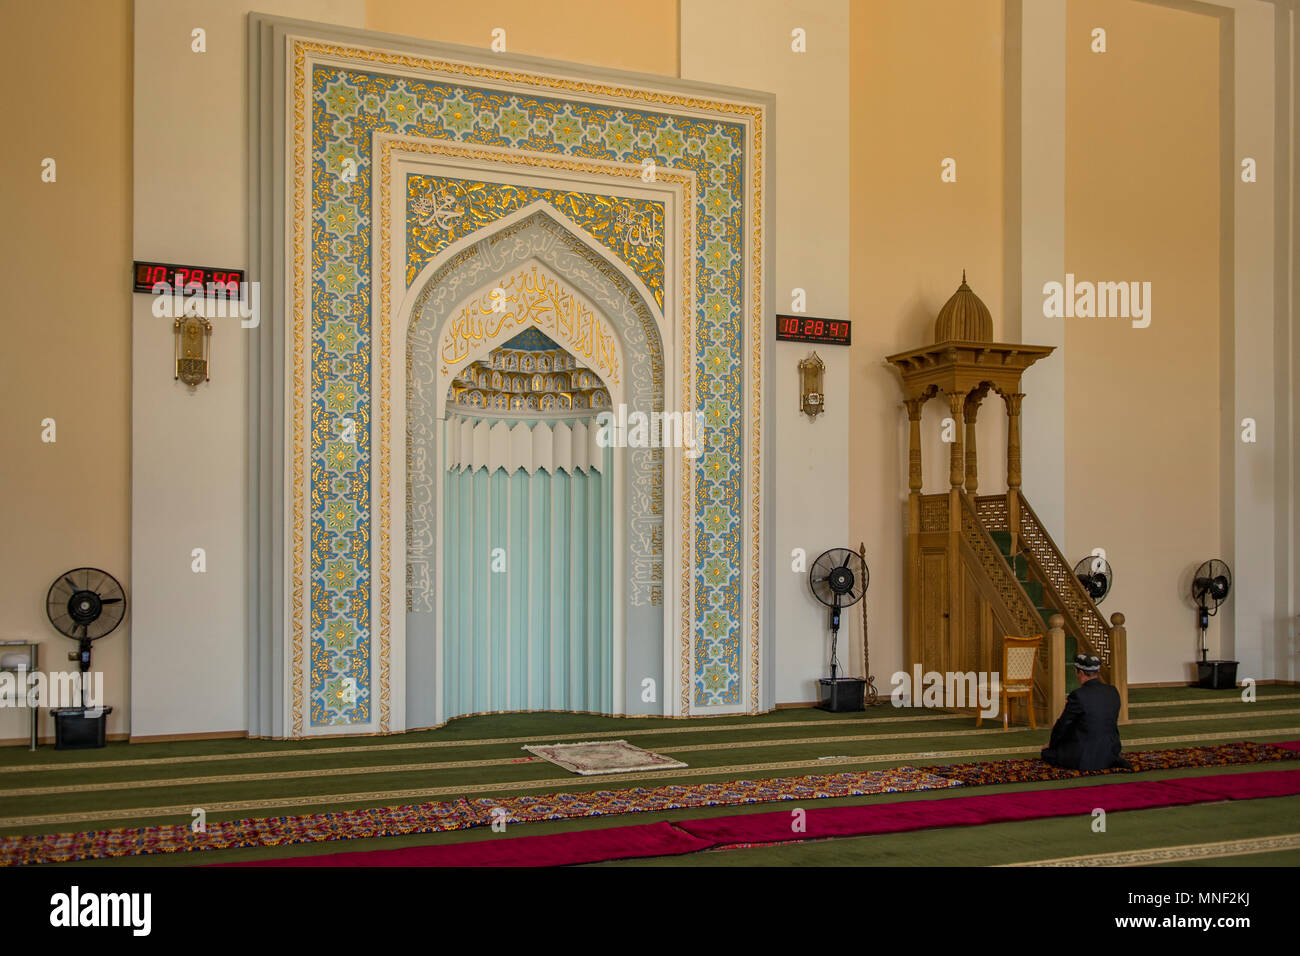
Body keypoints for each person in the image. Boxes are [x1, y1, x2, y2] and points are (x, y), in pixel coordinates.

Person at [1040, 653, 1131, 770]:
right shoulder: (1113, 691)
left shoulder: (1078, 696)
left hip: (1084, 757)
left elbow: (1063, 725)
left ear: (1080, 673)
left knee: (1047, 753)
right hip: (1109, 752)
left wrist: (1052, 745)